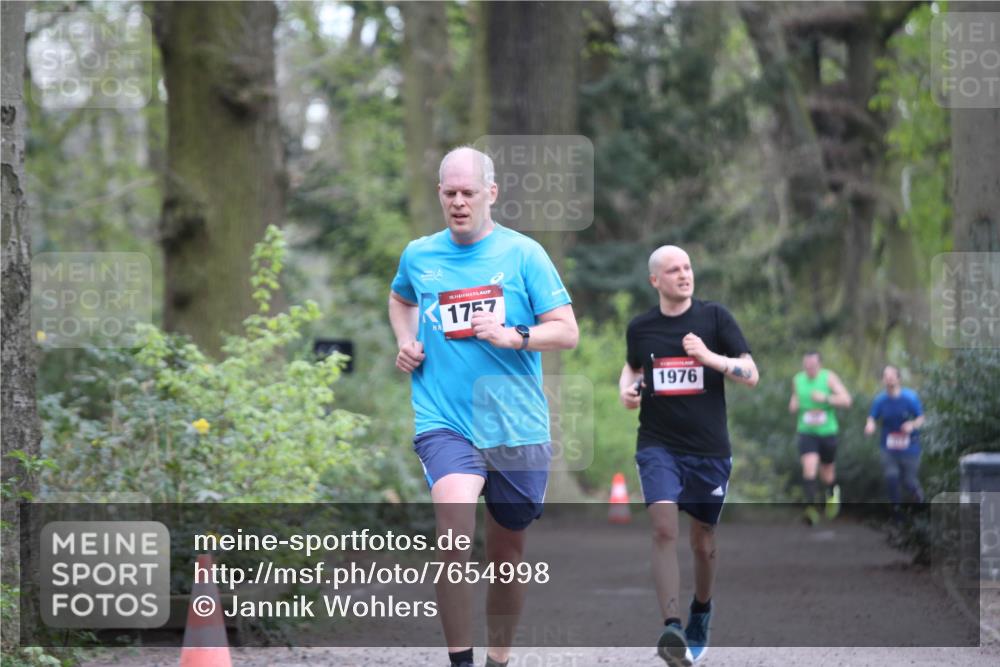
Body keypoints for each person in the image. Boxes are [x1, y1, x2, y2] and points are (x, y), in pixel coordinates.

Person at [388, 146, 578, 667]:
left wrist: (515, 336)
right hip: (444, 421)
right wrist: (406, 340)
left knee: (506, 557)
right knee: (452, 539)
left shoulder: (524, 255)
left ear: (491, 193)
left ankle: (499, 657)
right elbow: (401, 298)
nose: (458, 202)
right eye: (448, 193)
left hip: (515, 426)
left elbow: (567, 332)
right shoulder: (419, 256)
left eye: (468, 192)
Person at [619, 245, 758, 666]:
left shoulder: (715, 319)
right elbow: (632, 369)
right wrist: (625, 389)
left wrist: (709, 357)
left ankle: (701, 610)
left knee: (702, 540)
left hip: (709, 450)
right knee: (663, 529)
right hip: (658, 444)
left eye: (687, 267)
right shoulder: (641, 328)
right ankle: (672, 626)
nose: (684, 275)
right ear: (655, 281)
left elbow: (751, 374)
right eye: (673, 270)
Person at [789, 352, 852, 524]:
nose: (809, 369)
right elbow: (794, 401)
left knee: (827, 473)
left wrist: (825, 398)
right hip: (807, 431)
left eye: (812, 366)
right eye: (806, 366)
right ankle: (811, 509)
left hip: (827, 432)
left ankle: (832, 495)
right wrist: (793, 405)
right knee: (809, 468)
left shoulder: (828, 377)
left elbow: (847, 400)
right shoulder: (797, 379)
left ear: (819, 365)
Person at [864, 365, 925, 504]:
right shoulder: (880, 400)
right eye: (886, 376)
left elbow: (921, 418)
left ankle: (919, 505)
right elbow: (872, 416)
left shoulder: (910, 398)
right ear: (882, 380)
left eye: (892, 376)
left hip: (910, 447)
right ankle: (897, 515)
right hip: (889, 448)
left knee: (909, 482)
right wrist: (870, 425)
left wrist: (912, 425)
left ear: (898, 379)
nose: (889, 379)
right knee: (891, 478)